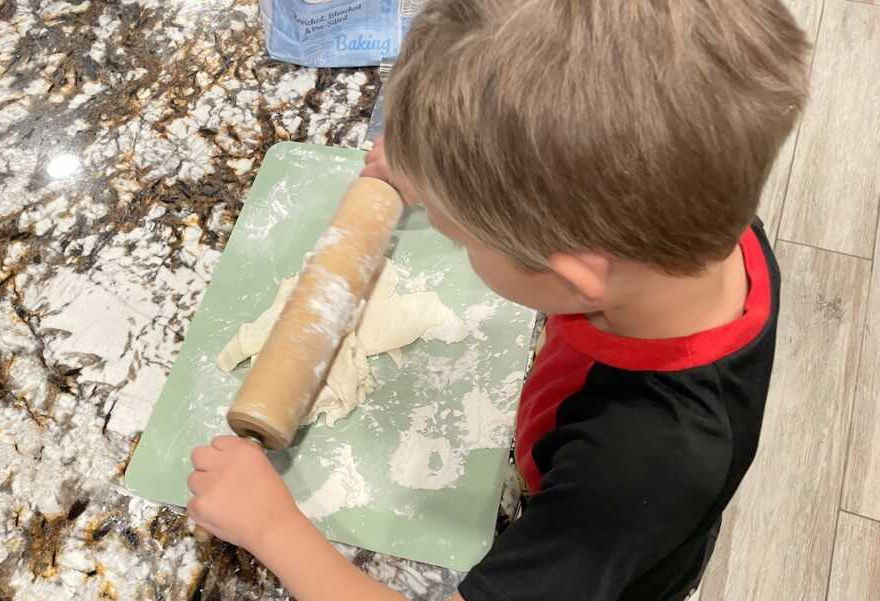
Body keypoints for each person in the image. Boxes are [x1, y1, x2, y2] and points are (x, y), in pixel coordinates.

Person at [186, 0, 809, 599]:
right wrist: (435, 168)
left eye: (461, 238)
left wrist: (274, 529)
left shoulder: (627, 477)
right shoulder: (697, 224)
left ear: (573, 276)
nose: (454, 238)